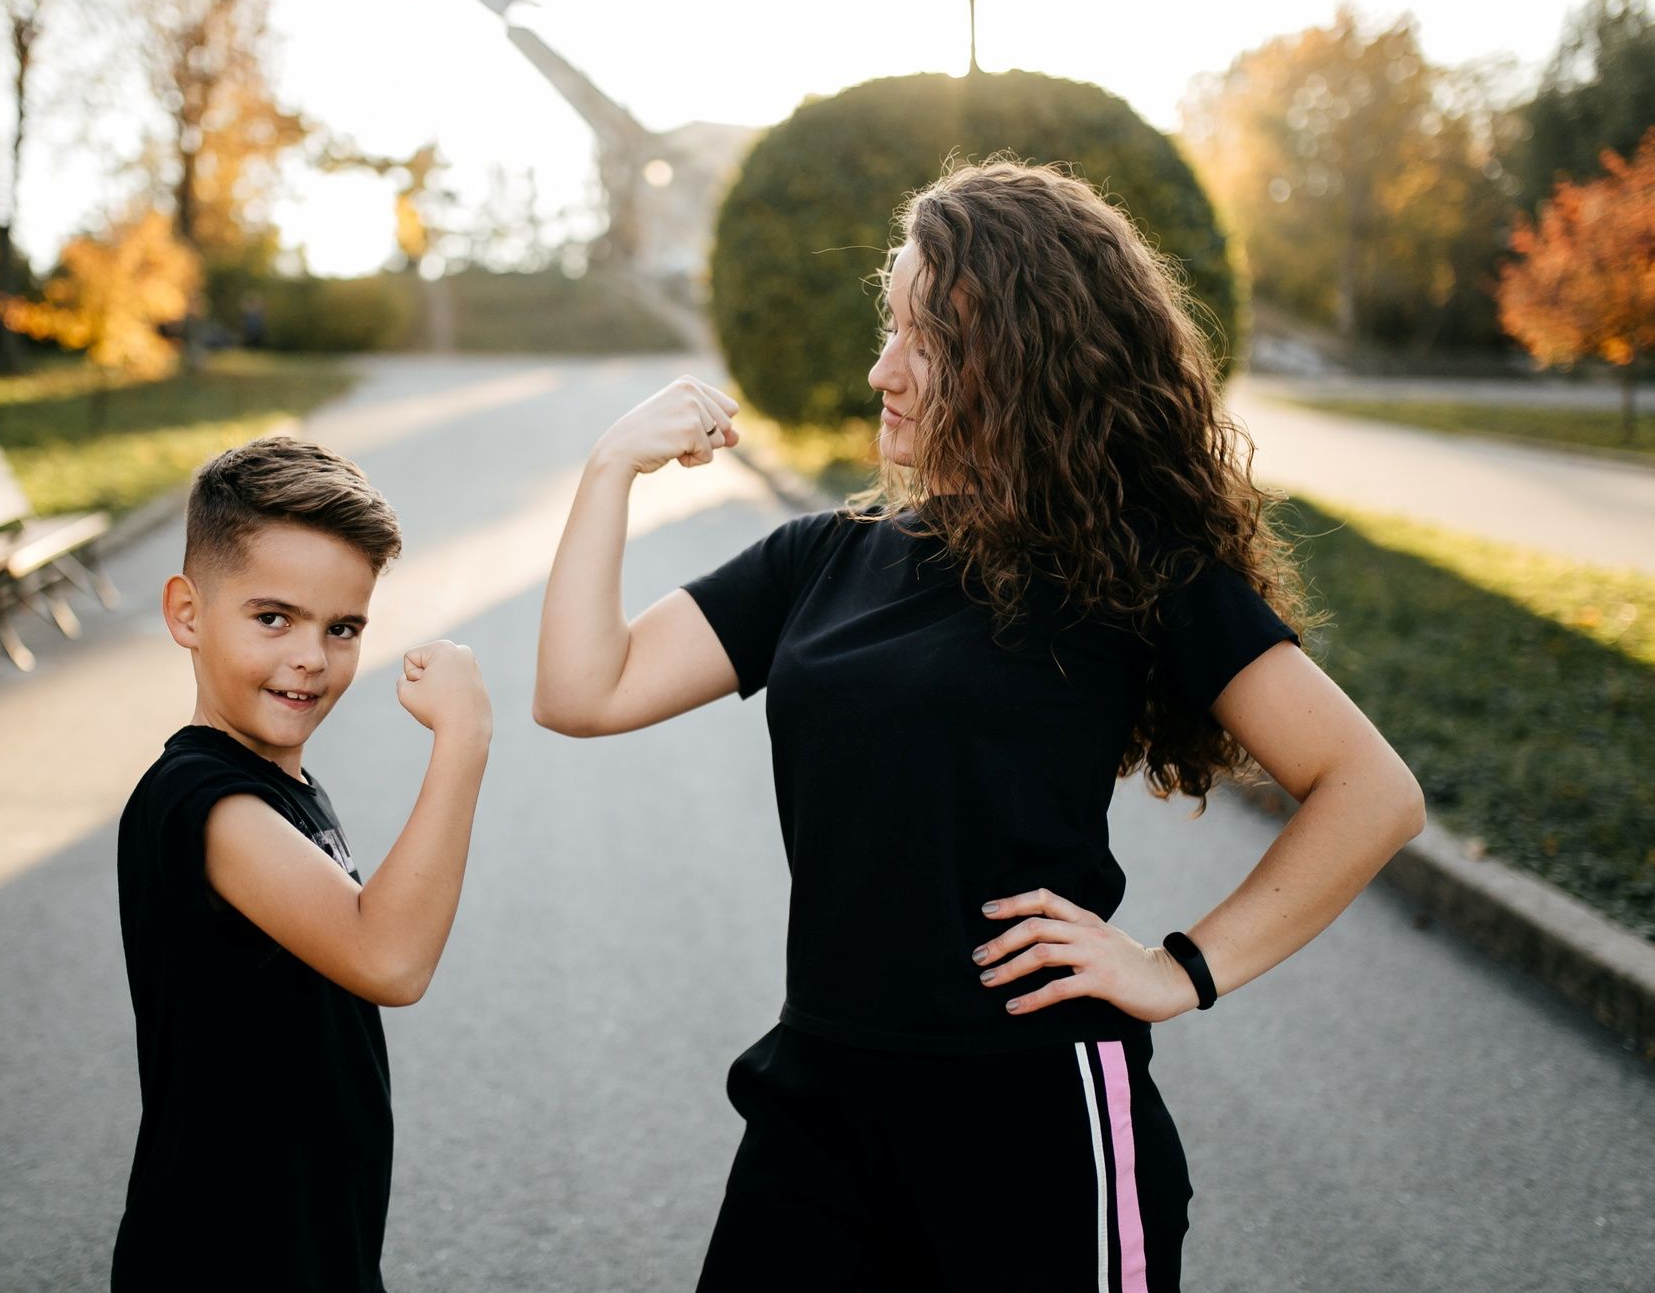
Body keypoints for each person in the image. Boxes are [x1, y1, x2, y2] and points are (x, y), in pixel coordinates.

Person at [532, 158, 1425, 1290]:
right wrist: (612, 463)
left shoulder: (1133, 570)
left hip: (1033, 1114)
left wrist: (1175, 968)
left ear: (1015, 356)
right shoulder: (821, 559)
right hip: (820, 1096)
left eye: (921, 337)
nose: (880, 368)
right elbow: (581, 690)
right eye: (886, 325)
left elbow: (1370, 789)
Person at [112, 436, 491, 1291]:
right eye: (273, 617)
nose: (312, 657)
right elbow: (388, 957)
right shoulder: (200, 800)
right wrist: (464, 738)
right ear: (188, 612)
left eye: (343, 627)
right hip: (227, 1255)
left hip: (315, 1242)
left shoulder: (279, 785)